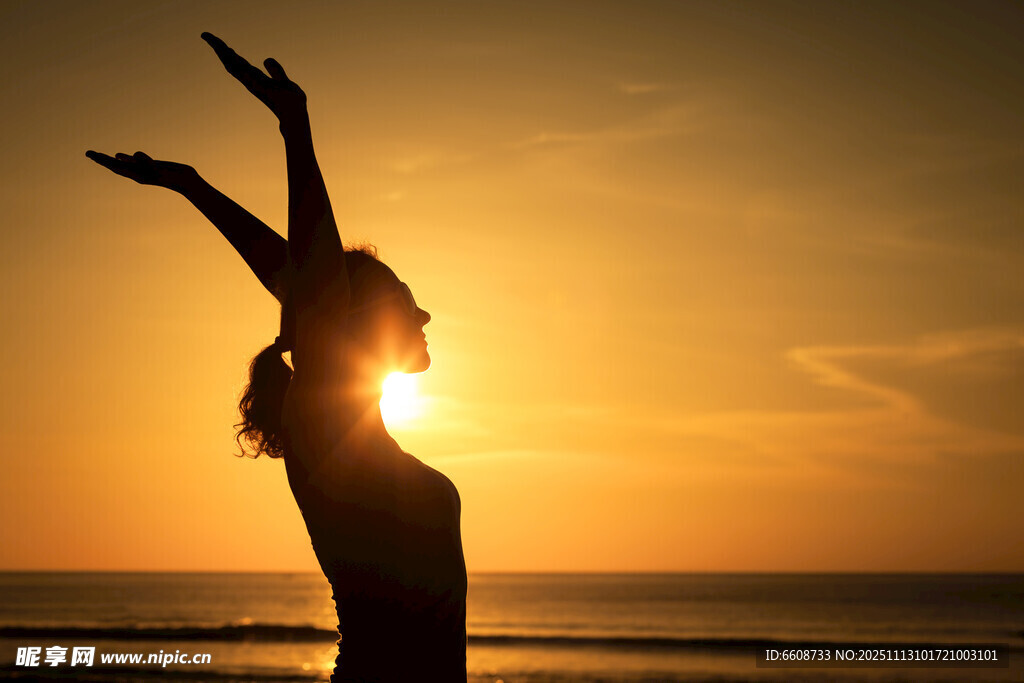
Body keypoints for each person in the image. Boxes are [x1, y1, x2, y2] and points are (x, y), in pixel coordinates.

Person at [87, 33, 468, 682]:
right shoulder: (330, 436)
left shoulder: (356, 438)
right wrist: (295, 126)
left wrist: (194, 186)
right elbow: (312, 286)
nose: (425, 315)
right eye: (408, 302)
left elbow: (300, 284)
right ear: (355, 327)